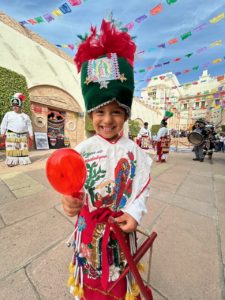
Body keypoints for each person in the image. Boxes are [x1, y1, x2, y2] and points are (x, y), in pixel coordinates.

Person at [61, 20, 152, 299]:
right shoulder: (82, 150)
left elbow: (143, 186)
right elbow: (71, 186)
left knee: (121, 276)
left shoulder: (136, 152)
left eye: (116, 111)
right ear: (90, 116)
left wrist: (134, 214)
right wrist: (70, 201)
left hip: (121, 226)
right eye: (100, 112)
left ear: (125, 115)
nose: (107, 119)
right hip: (90, 226)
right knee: (92, 275)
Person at [0, 92, 33, 167]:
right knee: (11, 149)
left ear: (20, 105)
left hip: (23, 136)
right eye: (13, 105)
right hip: (11, 135)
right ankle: (11, 161)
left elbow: (29, 125)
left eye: (16, 105)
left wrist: (31, 134)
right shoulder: (8, 114)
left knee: (22, 148)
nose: (14, 107)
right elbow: (3, 124)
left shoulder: (25, 116)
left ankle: (23, 161)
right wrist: (2, 132)